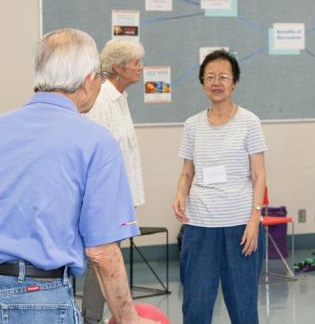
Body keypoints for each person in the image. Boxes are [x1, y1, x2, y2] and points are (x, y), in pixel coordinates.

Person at [0, 29, 154, 324]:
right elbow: (102, 252)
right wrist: (128, 318)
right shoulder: (95, 141)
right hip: (39, 300)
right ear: (87, 80)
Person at [173, 50, 267, 324]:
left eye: (223, 77)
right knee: (196, 305)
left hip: (240, 227)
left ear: (234, 82)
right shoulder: (192, 125)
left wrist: (254, 219)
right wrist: (180, 194)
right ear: (202, 82)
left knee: (243, 308)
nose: (216, 82)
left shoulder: (249, 122)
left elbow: (259, 174)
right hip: (199, 226)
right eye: (210, 77)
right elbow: (187, 172)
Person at [81, 39, 146, 324]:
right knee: (103, 258)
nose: (141, 68)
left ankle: (96, 316)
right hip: (104, 198)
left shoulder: (120, 98)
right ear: (118, 67)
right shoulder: (101, 101)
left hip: (120, 197)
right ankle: (91, 318)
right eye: (136, 63)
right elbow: (94, 152)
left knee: (108, 258)